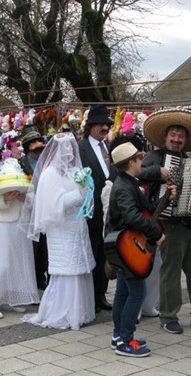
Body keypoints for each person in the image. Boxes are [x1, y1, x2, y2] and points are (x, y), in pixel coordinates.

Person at [140, 108, 191, 334]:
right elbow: (139, 173)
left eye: (181, 136)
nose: (177, 139)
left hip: (189, 224)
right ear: (165, 137)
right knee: (171, 272)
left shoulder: (189, 161)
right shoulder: (154, 157)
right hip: (168, 223)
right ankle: (168, 315)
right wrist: (160, 172)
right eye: (173, 135)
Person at [21, 132, 96, 330]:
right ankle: (63, 312)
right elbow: (52, 206)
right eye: (65, 149)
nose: (69, 153)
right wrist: (78, 194)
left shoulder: (75, 172)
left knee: (79, 268)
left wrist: (86, 190)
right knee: (66, 270)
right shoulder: (49, 175)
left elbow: (86, 193)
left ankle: (81, 311)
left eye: (72, 149)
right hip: (60, 228)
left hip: (77, 226)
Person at [105, 142, 167, 357]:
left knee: (123, 291)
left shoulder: (128, 181)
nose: (143, 162)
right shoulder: (124, 186)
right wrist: (156, 233)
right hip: (126, 246)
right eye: (139, 159)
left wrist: (165, 200)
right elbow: (132, 216)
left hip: (126, 245)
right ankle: (126, 340)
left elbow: (145, 210)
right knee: (137, 292)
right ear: (131, 162)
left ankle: (118, 335)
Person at [0, 132, 40, 319]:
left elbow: (34, 192)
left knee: (18, 260)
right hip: (3, 222)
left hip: (21, 220)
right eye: (18, 145)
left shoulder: (23, 167)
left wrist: (26, 198)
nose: (21, 149)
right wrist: (4, 199)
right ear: (7, 147)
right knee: (2, 261)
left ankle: (12, 297)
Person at [77, 105, 115, 312]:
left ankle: (100, 294)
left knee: (105, 252)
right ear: (90, 126)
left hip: (109, 209)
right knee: (91, 250)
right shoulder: (80, 147)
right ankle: (88, 295)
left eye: (107, 124)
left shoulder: (109, 147)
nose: (105, 127)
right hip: (90, 209)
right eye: (101, 124)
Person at [19, 126, 49, 289]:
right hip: (28, 210)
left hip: (44, 208)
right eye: (34, 146)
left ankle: (42, 275)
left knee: (44, 245)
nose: (38, 151)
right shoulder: (21, 164)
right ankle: (34, 277)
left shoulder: (46, 162)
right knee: (33, 245)